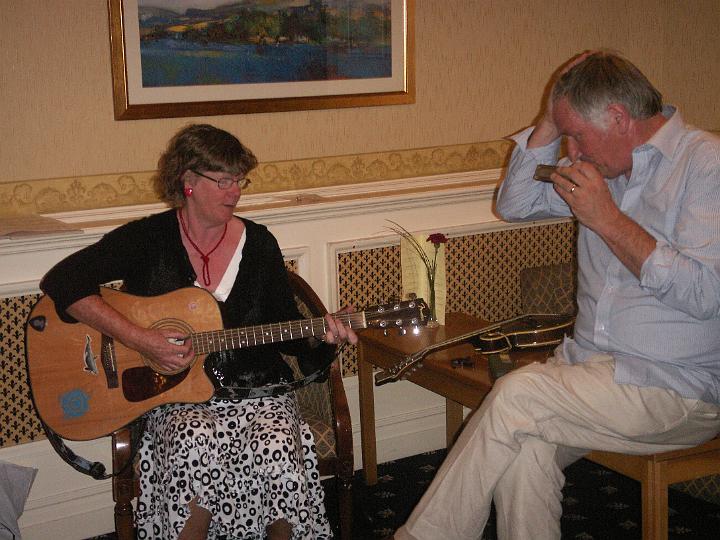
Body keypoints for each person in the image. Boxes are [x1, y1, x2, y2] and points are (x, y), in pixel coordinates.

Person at [394, 51, 720, 539]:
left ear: (617, 117)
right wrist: (549, 117)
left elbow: (706, 293)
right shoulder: (601, 162)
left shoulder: (705, 165)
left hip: (675, 389)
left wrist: (607, 220)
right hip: (587, 370)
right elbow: (515, 204)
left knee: (517, 395)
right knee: (525, 448)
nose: (572, 150)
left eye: (577, 135)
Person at [40, 124, 358, 540]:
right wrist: (140, 339)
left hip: (256, 391)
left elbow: (288, 331)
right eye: (223, 181)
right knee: (194, 440)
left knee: (277, 444)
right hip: (169, 393)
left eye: (239, 180)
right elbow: (63, 281)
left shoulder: (259, 243)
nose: (236, 192)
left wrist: (323, 333)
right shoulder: (148, 238)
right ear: (188, 181)